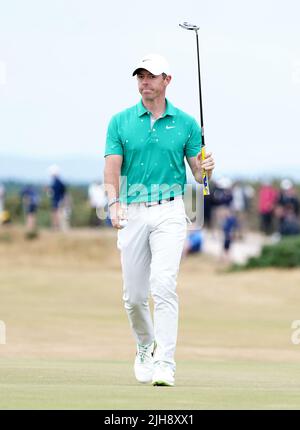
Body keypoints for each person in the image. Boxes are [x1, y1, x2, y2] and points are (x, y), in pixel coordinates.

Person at [104, 53, 215, 387]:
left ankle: (166, 363)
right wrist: (113, 202)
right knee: (134, 297)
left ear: (167, 80)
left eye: (151, 76)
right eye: (140, 76)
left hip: (170, 210)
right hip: (132, 210)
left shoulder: (186, 124)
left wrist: (206, 168)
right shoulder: (120, 121)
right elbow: (111, 167)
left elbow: (198, 174)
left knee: (164, 286)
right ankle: (144, 346)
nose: (144, 82)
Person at [48, 165, 67, 230]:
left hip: (57, 200)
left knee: (56, 214)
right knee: (57, 214)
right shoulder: (59, 182)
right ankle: (56, 227)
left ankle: (56, 227)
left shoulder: (56, 182)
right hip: (58, 200)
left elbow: (53, 192)